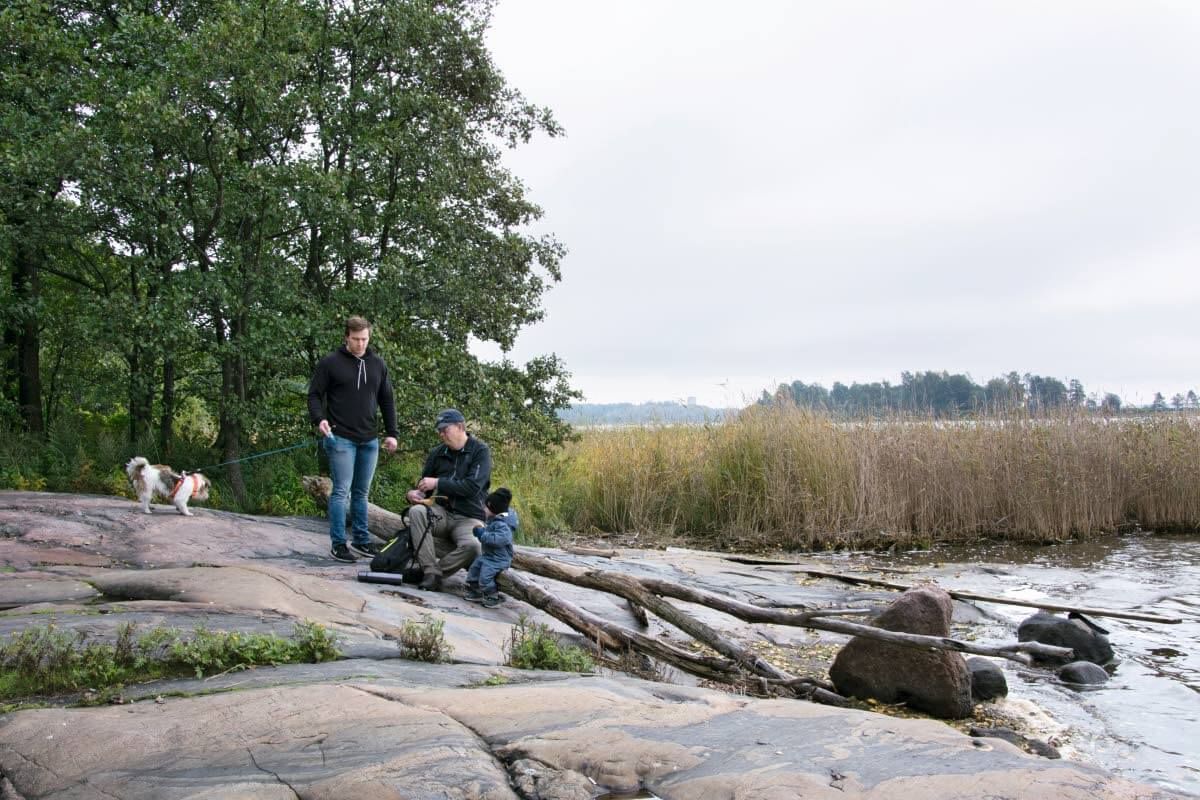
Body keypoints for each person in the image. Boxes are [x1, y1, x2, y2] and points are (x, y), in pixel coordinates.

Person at [307, 316, 399, 563]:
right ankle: (338, 544)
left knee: (361, 493)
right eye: (356, 339)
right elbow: (314, 395)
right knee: (341, 491)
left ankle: (361, 540)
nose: (361, 344)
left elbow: (387, 400)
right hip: (340, 438)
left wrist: (392, 433)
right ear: (346, 337)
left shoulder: (378, 364)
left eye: (365, 339)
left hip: (369, 440)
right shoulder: (331, 363)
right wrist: (319, 420)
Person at [405, 408, 491, 590]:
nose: (441, 433)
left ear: (460, 427)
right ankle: (429, 571)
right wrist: (414, 495)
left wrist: (438, 482)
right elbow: (425, 489)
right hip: (442, 513)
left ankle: (432, 574)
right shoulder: (437, 453)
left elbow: (472, 487)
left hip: (470, 518)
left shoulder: (480, 451)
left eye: (445, 429)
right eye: (439, 430)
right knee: (417, 511)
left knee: (474, 546)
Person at [465, 488, 517, 608]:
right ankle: (476, 590)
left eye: (486, 507)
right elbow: (486, 538)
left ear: (493, 508)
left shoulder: (503, 525)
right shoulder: (493, 520)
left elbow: (497, 540)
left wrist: (482, 534)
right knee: (474, 568)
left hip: (499, 559)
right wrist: (479, 532)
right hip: (488, 556)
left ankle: (493, 595)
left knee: (485, 577)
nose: (484, 509)